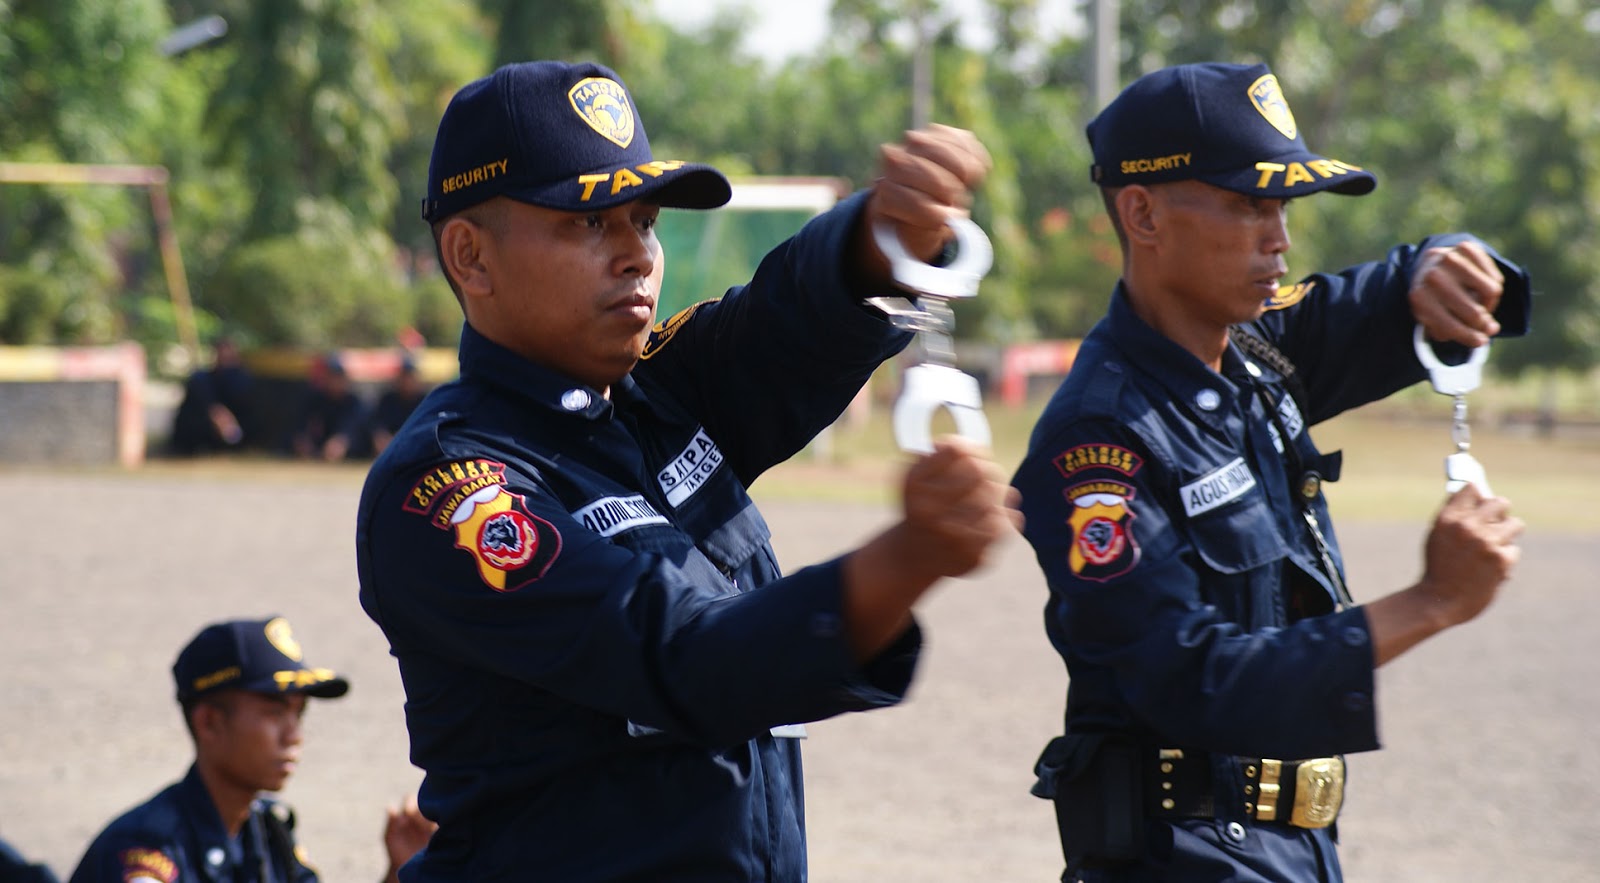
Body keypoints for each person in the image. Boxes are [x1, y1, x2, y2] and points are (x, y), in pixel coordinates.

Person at [354, 59, 1017, 881]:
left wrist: (890, 228)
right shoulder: (449, 487)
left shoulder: (652, 396)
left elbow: (788, 323)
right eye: (588, 224)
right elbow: (678, 658)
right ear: (470, 257)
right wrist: (909, 556)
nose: (636, 254)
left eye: (645, 220)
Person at [1013, 61, 1531, 882]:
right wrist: (1432, 601)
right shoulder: (1096, 438)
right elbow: (1190, 678)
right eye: (1247, 203)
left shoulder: (1256, 352)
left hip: (1300, 853)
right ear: (1142, 213)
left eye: (1282, 205)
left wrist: (1448, 260)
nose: (1279, 237)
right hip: (1182, 857)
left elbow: (1411, 286)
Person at [68, 617, 433, 883]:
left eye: (298, 713)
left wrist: (400, 872)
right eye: (274, 713)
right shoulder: (147, 850)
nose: (295, 735)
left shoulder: (265, 830)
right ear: (209, 722)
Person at [169, 337, 255, 456]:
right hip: (201, 434)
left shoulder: (243, 380)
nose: (225, 360)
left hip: (235, 434)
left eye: (229, 357)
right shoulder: (201, 380)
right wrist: (218, 415)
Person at [286, 355, 371, 462]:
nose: (334, 381)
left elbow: (357, 431)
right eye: (331, 376)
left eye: (338, 376)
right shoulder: (314, 400)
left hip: (349, 459)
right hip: (314, 458)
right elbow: (299, 427)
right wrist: (302, 441)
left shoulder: (354, 403)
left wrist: (342, 442)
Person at [368, 357, 427, 457]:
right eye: (404, 376)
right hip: (388, 450)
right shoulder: (387, 400)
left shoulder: (424, 400)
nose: (407, 381)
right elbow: (376, 424)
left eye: (410, 377)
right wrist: (381, 438)